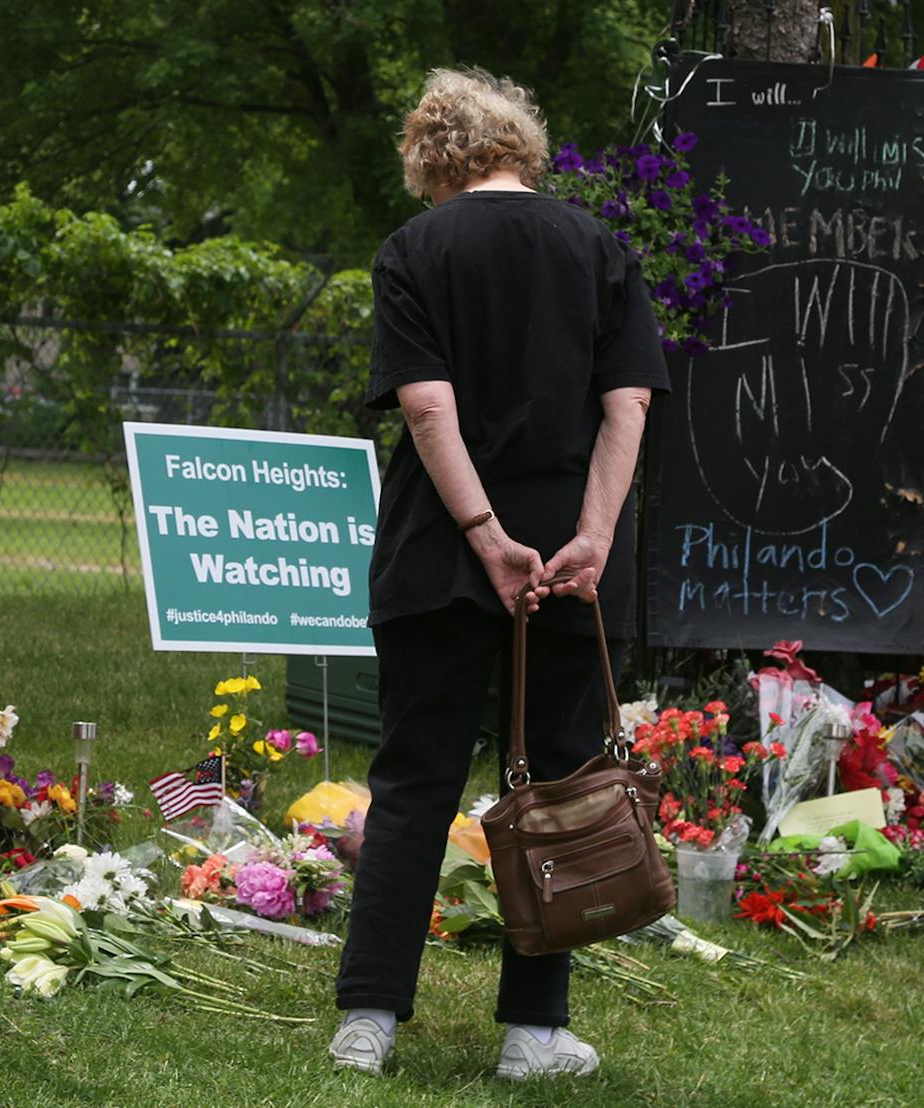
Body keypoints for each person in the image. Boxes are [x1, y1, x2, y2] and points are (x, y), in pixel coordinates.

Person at [329, 68, 669, 1081]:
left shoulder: (412, 251)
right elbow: (627, 408)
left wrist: (480, 535)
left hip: (440, 554)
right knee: (562, 786)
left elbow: (427, 409)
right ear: (517, 144)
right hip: (570, 554)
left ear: (434, 158)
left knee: (411, 784)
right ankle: (531, 1033)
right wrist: (592, 541)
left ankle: (368, 1023)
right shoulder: (598, 246)